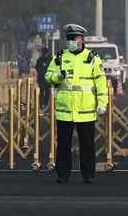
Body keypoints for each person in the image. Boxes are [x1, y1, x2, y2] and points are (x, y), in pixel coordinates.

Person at [45, 23, 108, 185]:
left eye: (73, 38)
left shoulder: (92, 58)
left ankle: (88, 175)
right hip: (64, 110)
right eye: (68, 38)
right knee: (63, 146)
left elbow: (101, 82)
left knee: (87, 145)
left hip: (86, 110)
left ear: (81, 39)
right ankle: (62, 175)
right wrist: (58, 76)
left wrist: (102, 102)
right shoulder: (59, 57)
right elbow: (48, 76)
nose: (70, 41)